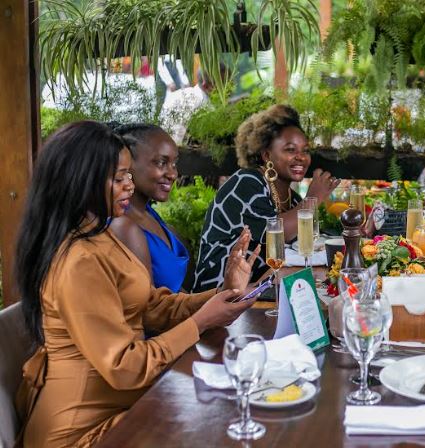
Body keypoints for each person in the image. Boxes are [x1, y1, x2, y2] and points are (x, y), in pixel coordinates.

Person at [15, 121, 261, 447]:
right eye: (119, 178)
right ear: (83, 181)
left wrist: (221, 294)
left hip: (126, 405)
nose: (130, 186)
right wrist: (200, 322)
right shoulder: (79, 260)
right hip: (82, 431)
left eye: (129, 175)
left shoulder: (100, 235)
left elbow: (150, 305)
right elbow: (123, 366)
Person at [193, 104, 340, 292]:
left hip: (259, 290)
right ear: (266, 155)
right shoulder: (247, 182)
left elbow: (302, 247)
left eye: (305, 150)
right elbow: (275, 236)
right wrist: (313, 199)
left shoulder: (293, 199)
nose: (301, 157)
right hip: (217, 293)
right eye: (290, 150)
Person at [108, 123, 189, 292]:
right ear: (127, 163)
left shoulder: (150, 216)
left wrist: (225, 293)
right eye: (161, 163)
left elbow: (174, 291)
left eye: (174, 164)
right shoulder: (123, 226)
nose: (173, 174)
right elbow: (149, 303)